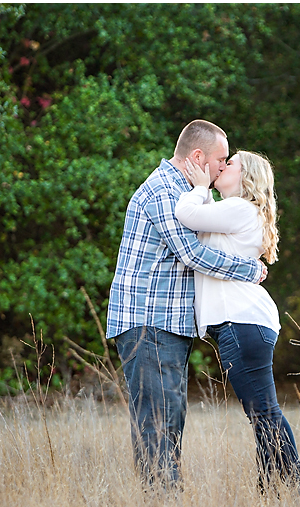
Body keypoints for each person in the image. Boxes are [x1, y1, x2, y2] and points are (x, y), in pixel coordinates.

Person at [106, 120, 267, 488]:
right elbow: (192, 253)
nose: (224, 167)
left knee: (170, 415)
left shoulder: (189, 192)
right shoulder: (163, 190)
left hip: (169, 326)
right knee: (158, 417)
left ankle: (165, 506)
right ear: (198, 156)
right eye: (221, 159)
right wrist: (249, 270)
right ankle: (162, 506)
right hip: (149, 322)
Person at [175, 150, 300, 493]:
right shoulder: (234, 211)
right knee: (262, 412)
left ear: (246, 176)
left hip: (241, 323)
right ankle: (277, 489)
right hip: (244, 324)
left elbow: (185, 212)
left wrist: (201, 187)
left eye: (229, 163)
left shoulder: (238, 208)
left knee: (263, 412)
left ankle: (287, 489)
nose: (221, 166)